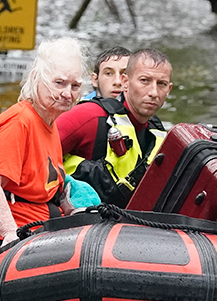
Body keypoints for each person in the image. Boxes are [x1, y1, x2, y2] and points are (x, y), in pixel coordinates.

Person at [0, 37, 88, 260]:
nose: (68, 93)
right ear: (36, 78)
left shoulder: (49, 122)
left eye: (75, 86)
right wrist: (11, 236)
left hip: (39, 231)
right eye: (59, 83)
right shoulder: (19, 122)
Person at [56, 48, 172, 207]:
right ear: (126, 82)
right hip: (74, 222)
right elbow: (31, 152)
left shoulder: (160, 137)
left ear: (169, 90)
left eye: (162, 84)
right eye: (145, 80)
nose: (153, 92)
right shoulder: (89, 116)